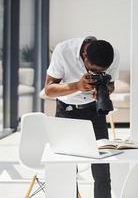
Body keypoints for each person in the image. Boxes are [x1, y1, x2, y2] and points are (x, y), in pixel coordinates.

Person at [44, 36, 119, 198]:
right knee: (68, 168)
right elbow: (49, 90)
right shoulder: (63, 51)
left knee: (102, 169)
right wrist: (76, 86)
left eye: (101, 72)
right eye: (93, 71)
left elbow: (111, 83)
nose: (96, 74)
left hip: (96, 110)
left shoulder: (112, 55)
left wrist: (104, 89)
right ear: (84, 56)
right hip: (67, 110)